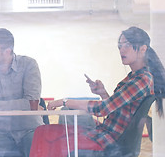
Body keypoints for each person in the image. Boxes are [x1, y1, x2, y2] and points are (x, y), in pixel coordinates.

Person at [30, 26, 165, 157]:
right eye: (120, 45)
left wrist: (64, 101)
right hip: (104, 135)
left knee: (46, 134)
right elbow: (116, 109)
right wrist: (102, 92)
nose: (121, 50)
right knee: (44, 132)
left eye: (127, 45)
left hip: (107, 142)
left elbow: (102, 109)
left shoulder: (142, 79)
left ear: (143, 49)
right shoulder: (135, 77)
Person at [0, 28, 43, 157]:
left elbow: (31, 104)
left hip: (30, 130)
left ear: (7, 51)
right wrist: (23, 104)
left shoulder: (29, 64)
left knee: (40, 147)